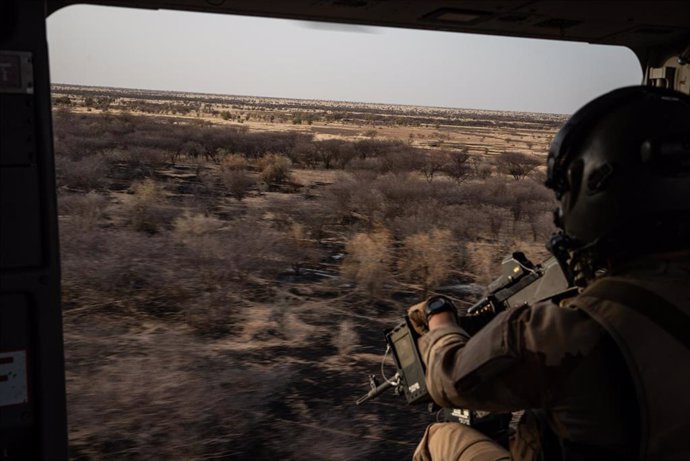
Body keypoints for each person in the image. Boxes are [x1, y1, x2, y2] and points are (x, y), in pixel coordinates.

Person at [407, 86, 690, 461]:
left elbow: (447, 380)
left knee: (439, 439)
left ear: (598, 193)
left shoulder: (566, 331)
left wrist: (440, 318)